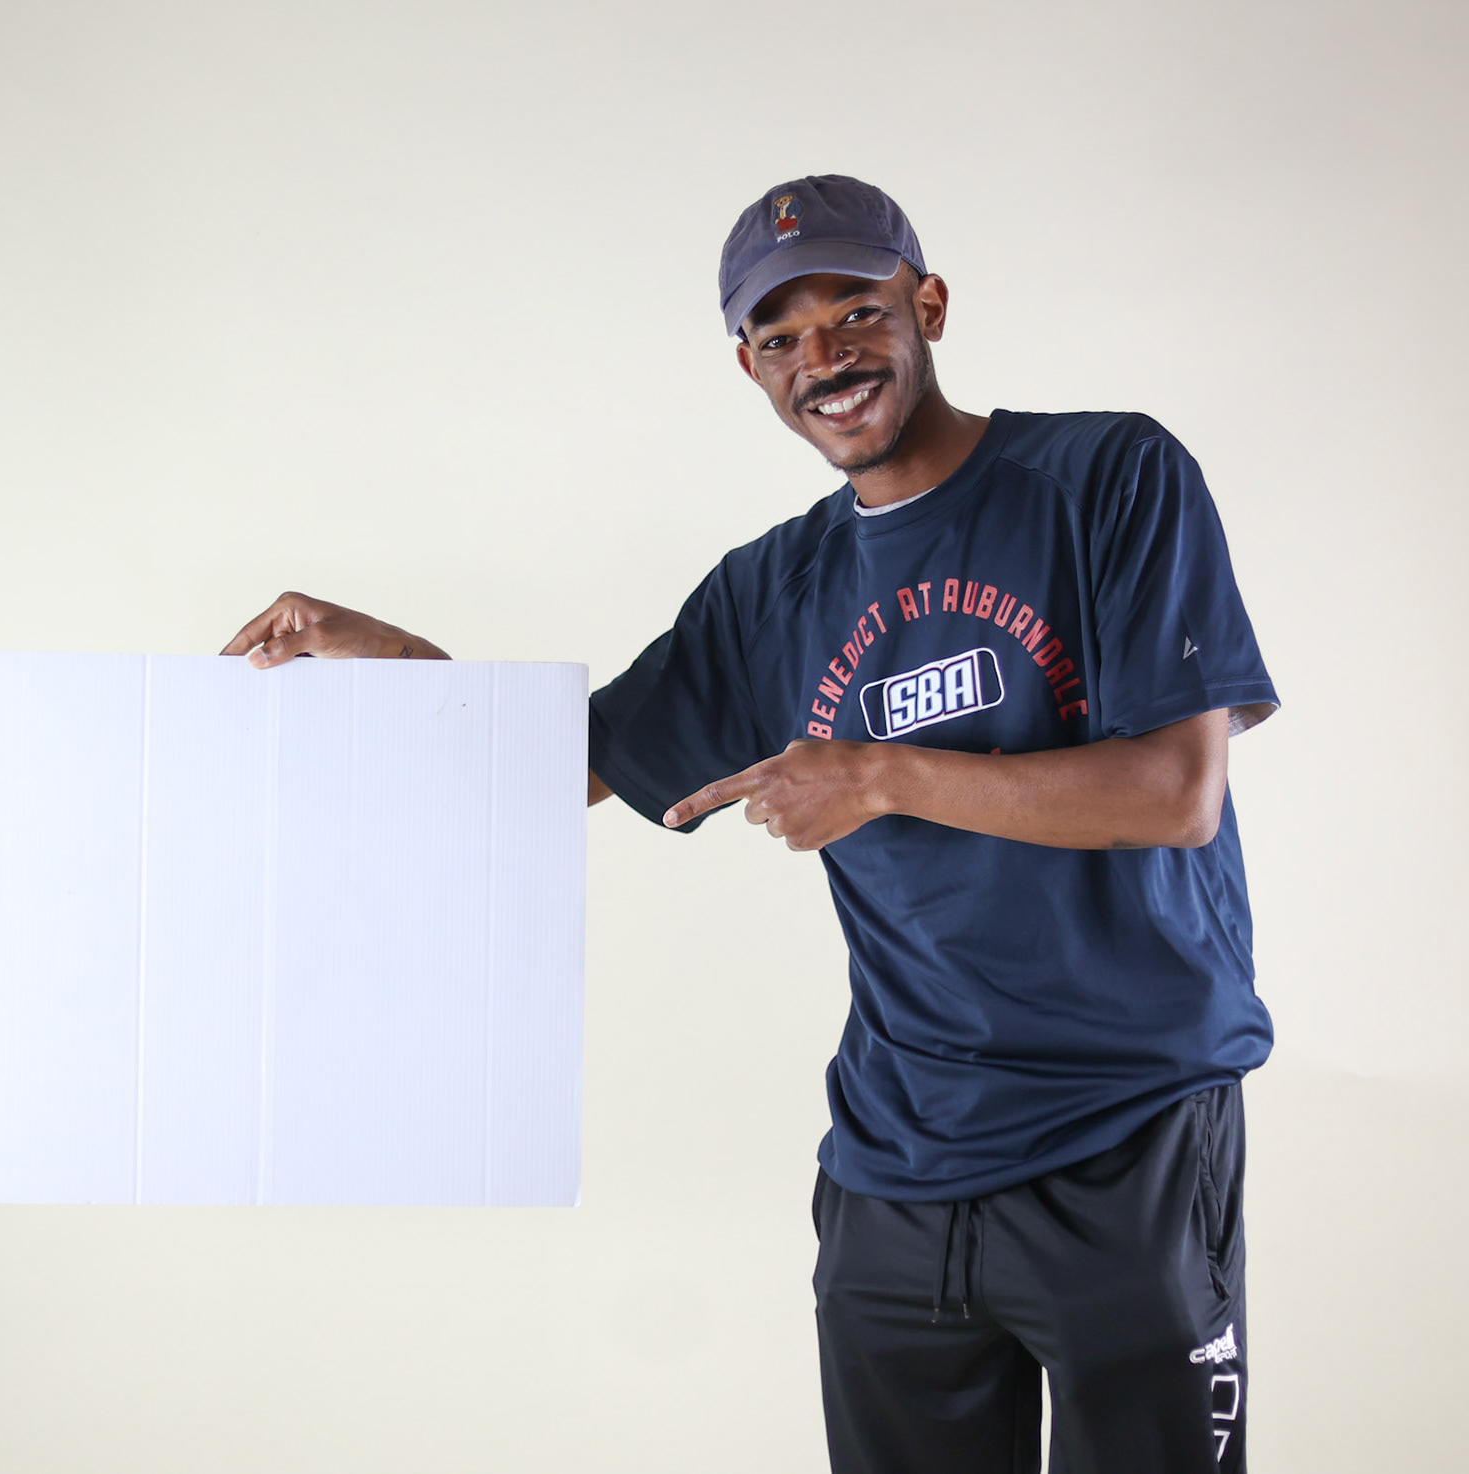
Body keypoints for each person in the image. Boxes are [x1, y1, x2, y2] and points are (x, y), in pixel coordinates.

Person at [222, 174, 1277, 1474]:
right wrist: (371, 649)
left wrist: (883, 774)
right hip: (895, 1168)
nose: (822, 358)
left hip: (1129, 1132)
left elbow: (1175, 791)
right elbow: (561, 764)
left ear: (926, 304)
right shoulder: (769, 591)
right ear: (748, 366)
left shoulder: (1107, 475)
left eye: (853, 311)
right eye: (780, 336)